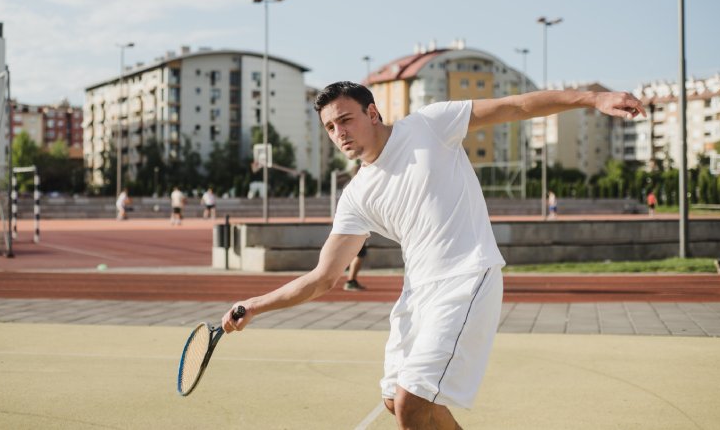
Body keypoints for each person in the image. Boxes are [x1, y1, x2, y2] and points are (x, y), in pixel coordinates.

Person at [220, 81, 645, 429]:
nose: (339, 133)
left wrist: (593, 98)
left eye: (346, 119)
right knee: (394, 400)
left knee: (410, 404)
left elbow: (515, 106)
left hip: (467, 276)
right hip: (418, 294)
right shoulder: (355, 197)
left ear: (372, 113)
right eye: (330, 127)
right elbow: (323, 277)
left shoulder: (428, 125)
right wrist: (255, 305)